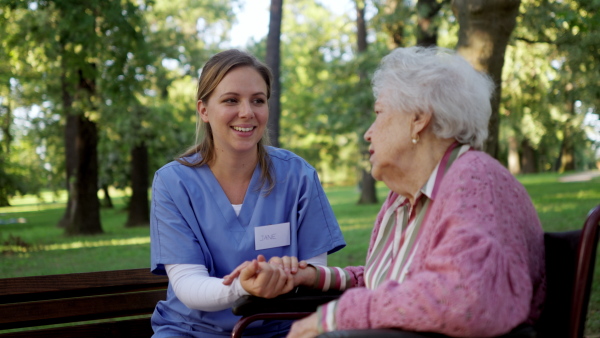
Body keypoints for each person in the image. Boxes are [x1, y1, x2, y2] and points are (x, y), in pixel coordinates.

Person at [282, 46, 546, 337]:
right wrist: (313, 276)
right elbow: (389, 285)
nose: (368, 133)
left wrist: (337, 316)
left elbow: (465, 297)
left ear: (419, 118)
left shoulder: (475, 182)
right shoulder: (403, 200)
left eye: (379, 113)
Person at [149, 49, 346, 338]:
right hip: (192, 332)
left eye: (258, 100)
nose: (247, 112)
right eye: (231, 100)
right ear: (203, 110)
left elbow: (314, 274)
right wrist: (245, 284)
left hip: (280, 329)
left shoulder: (298, 176)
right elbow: (189, 286)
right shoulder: (173, 183)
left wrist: (287, 274)